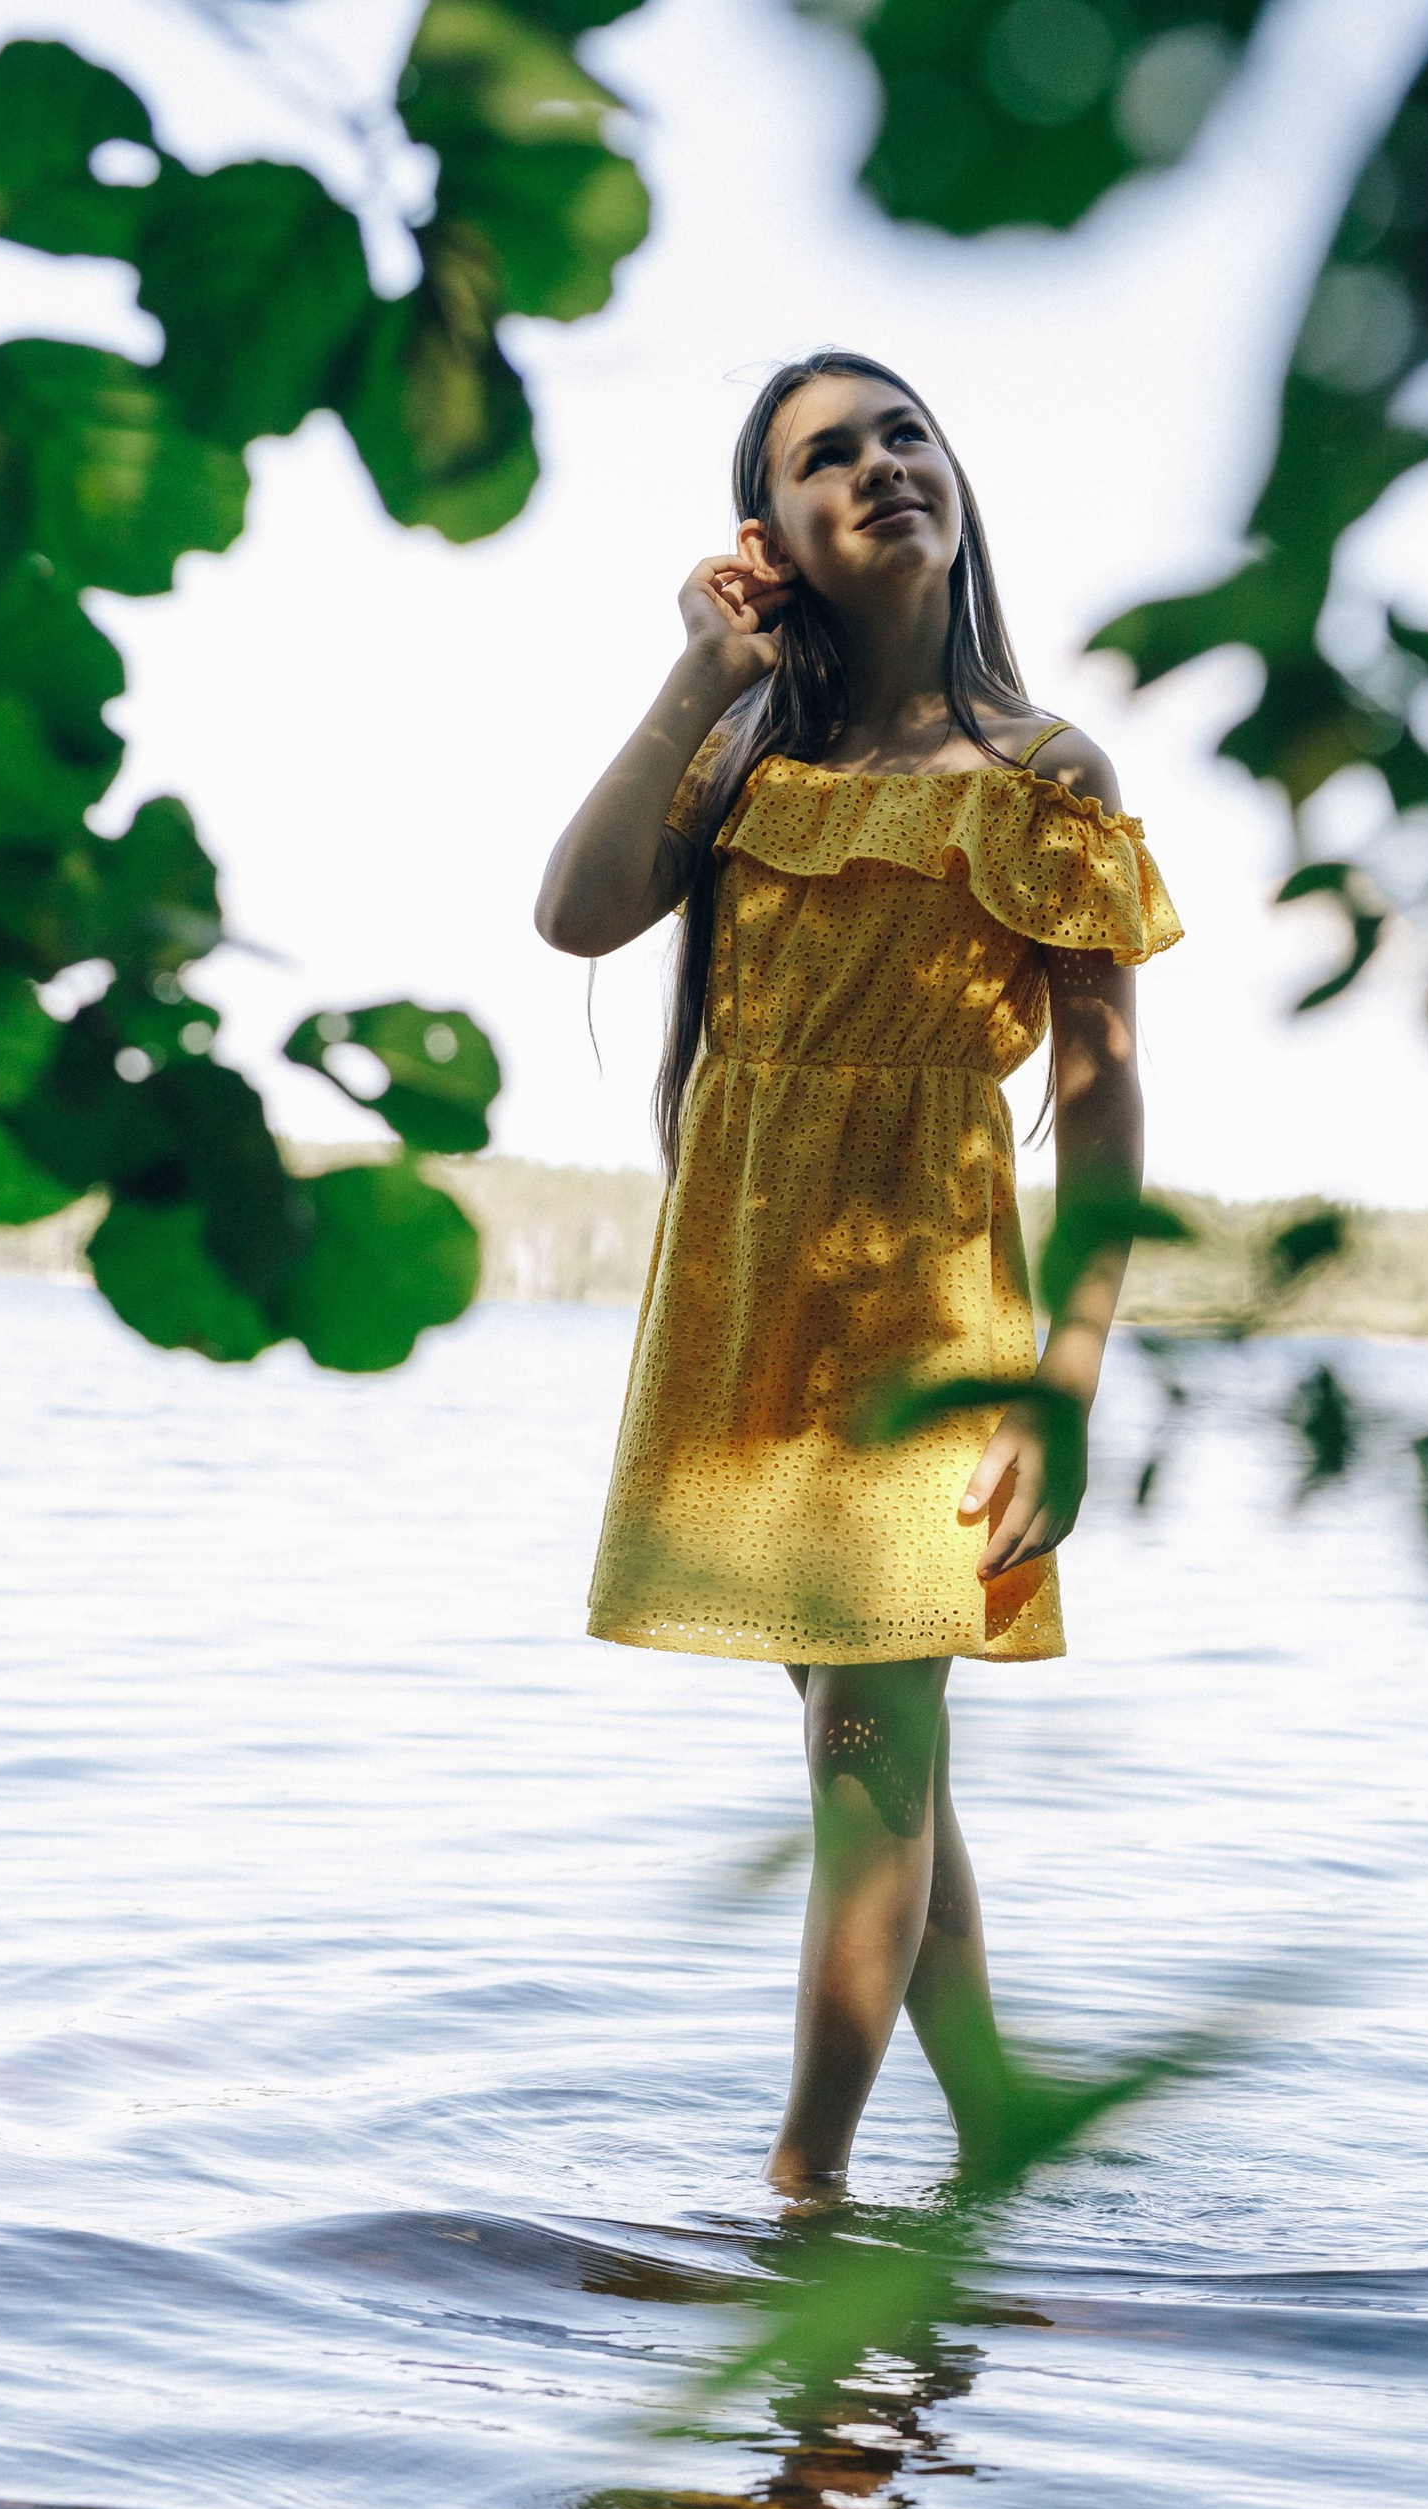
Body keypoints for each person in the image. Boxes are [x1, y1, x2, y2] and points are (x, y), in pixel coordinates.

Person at [536, 348, 1180, 2200]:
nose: (884, 465)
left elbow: (1108, 1112)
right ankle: (996, 2152)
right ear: (775, 538)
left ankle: (804, 2192)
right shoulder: (750, 751)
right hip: (753, 1308)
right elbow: (578, 908)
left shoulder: (1045, 771)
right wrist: (698, 668)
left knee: (864, 1754)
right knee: (885, 1766)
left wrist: (1063, 1383)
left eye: (907, 433)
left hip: (930, 1326)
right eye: (830, 456)